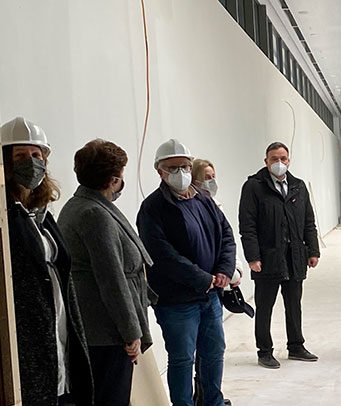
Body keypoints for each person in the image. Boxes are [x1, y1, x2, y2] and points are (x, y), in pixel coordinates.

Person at [136, 139, 236, 406]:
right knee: (182, 359)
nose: (180, 172)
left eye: (184, 166)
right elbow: (162, 255)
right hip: (176, 302)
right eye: (173, 168)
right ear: (160, 171)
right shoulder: (152, 208)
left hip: (211, 296)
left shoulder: (204, 199)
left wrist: (224, 270)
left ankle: (212, 402)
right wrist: (202, 278)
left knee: (213, 354)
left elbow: (226, 235)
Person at [1, 117, 93, 405]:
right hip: (27, 336)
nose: (30, 162)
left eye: (36, 155)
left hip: (59, 323)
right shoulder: (6, 215)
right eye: (20, 156)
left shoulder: (42, 214)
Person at [57, 139, 157, 406]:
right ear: (113, 180)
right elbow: (111, 279)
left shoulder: (79, 205)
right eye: (121, 176)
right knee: (111, 397)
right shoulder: (94, 214)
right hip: (105, 332)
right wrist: (130, 331)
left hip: (96, 329)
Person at [239, 142, 320, 369]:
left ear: (289, 160)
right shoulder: (254, 187)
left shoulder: (298, 186)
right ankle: (264, 351)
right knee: (265, 307)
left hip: (294, 257)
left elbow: (309, 221)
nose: (279, 162)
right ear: (266, 161)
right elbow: (247, 225)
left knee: (294, 304)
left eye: (283, 158)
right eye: (274, 159)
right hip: (267, 258)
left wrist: (313, 251)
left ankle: (296, 346)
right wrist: (253, 257)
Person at [191, 158, 243, 406]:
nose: (211, 181)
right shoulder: (190, 208)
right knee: (192, 352)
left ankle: (211, 397)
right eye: (206, 177)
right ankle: (200, 396)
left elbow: (227, 242)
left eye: (213, 176)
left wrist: (233, 271)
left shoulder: (215, 205)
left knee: (212, 348)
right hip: (200, 287)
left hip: (217, 285)